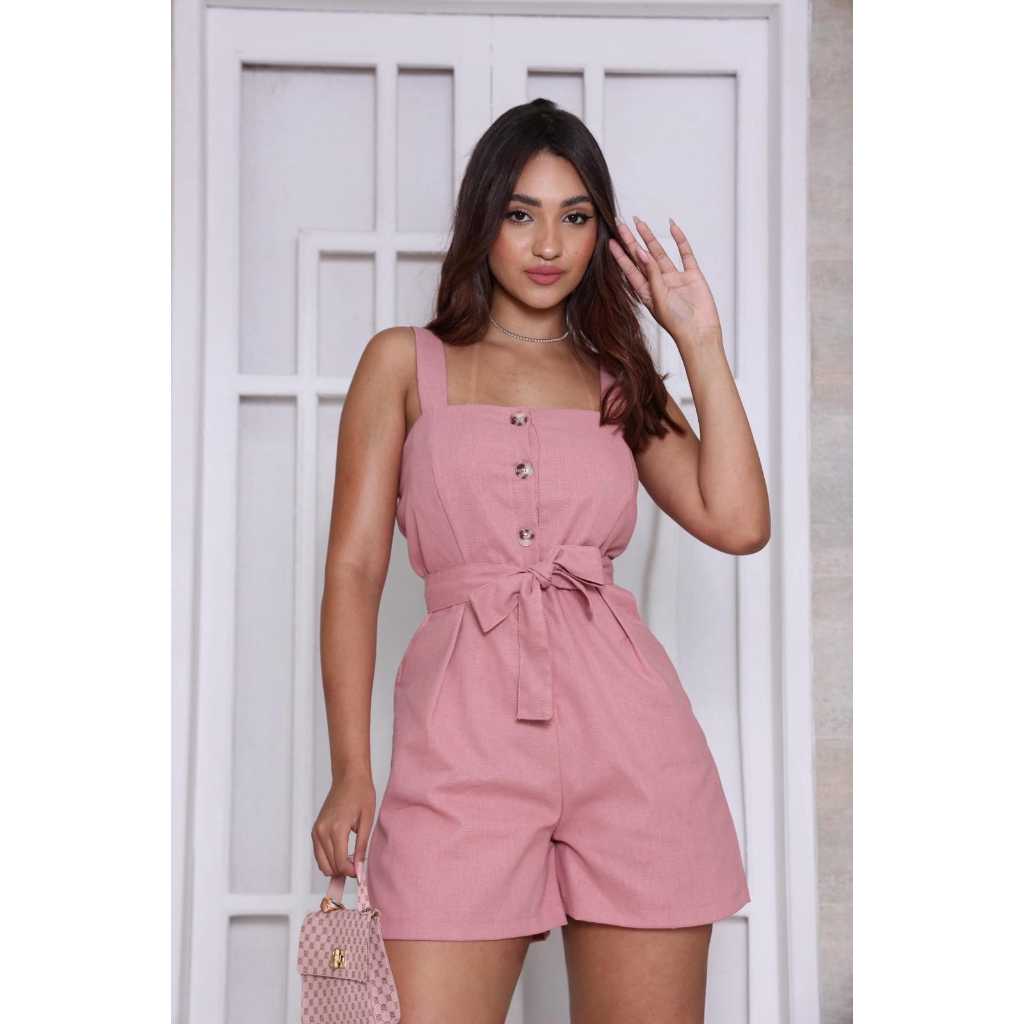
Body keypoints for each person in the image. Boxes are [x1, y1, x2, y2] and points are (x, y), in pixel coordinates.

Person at [311, 98, 769, 1024]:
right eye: (522, 213)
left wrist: (699, 343)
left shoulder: (618, 377)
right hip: (461, 751)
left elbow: (738, 521)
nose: (549, 244)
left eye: (576, 216)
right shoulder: (402, 364)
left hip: (633, 748)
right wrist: (351, 767)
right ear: (483, 218)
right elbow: (354, 574)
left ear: (601, 232)